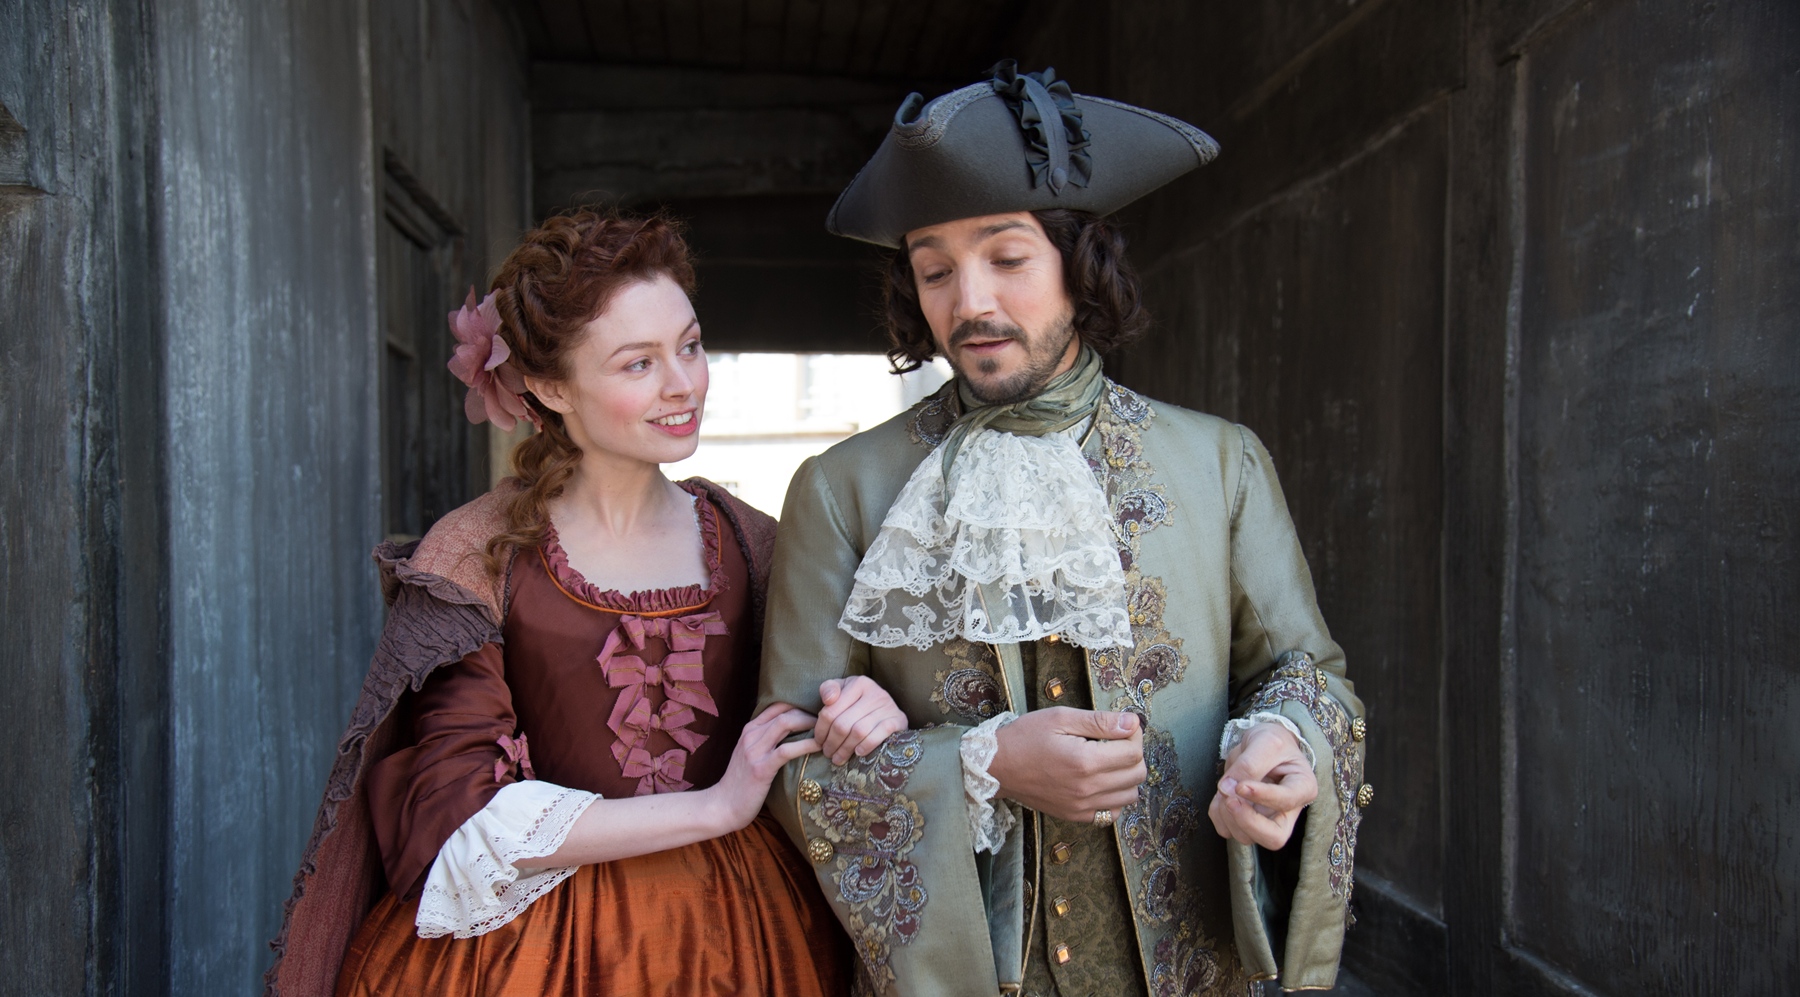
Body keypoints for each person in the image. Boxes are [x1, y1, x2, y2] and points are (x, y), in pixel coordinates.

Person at [757, 62, 1370, 996]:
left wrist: (1284, 744)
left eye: (1007, 258)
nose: (969, 302)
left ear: (1080, 265)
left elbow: (1308, 675)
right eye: (934, 270)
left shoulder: (1220, 463)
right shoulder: (842, 488)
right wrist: (983, 763)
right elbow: (788, 765)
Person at [266, 211, 897, 996]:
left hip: (740, 940)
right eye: (639, 363)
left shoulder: (756, 541)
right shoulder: (476, 552)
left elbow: (830, 704)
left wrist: (869, 702)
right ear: (549, 386)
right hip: (526, 952)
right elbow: (457, 811)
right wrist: (715, 807)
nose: (683, 383)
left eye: (690, 346)